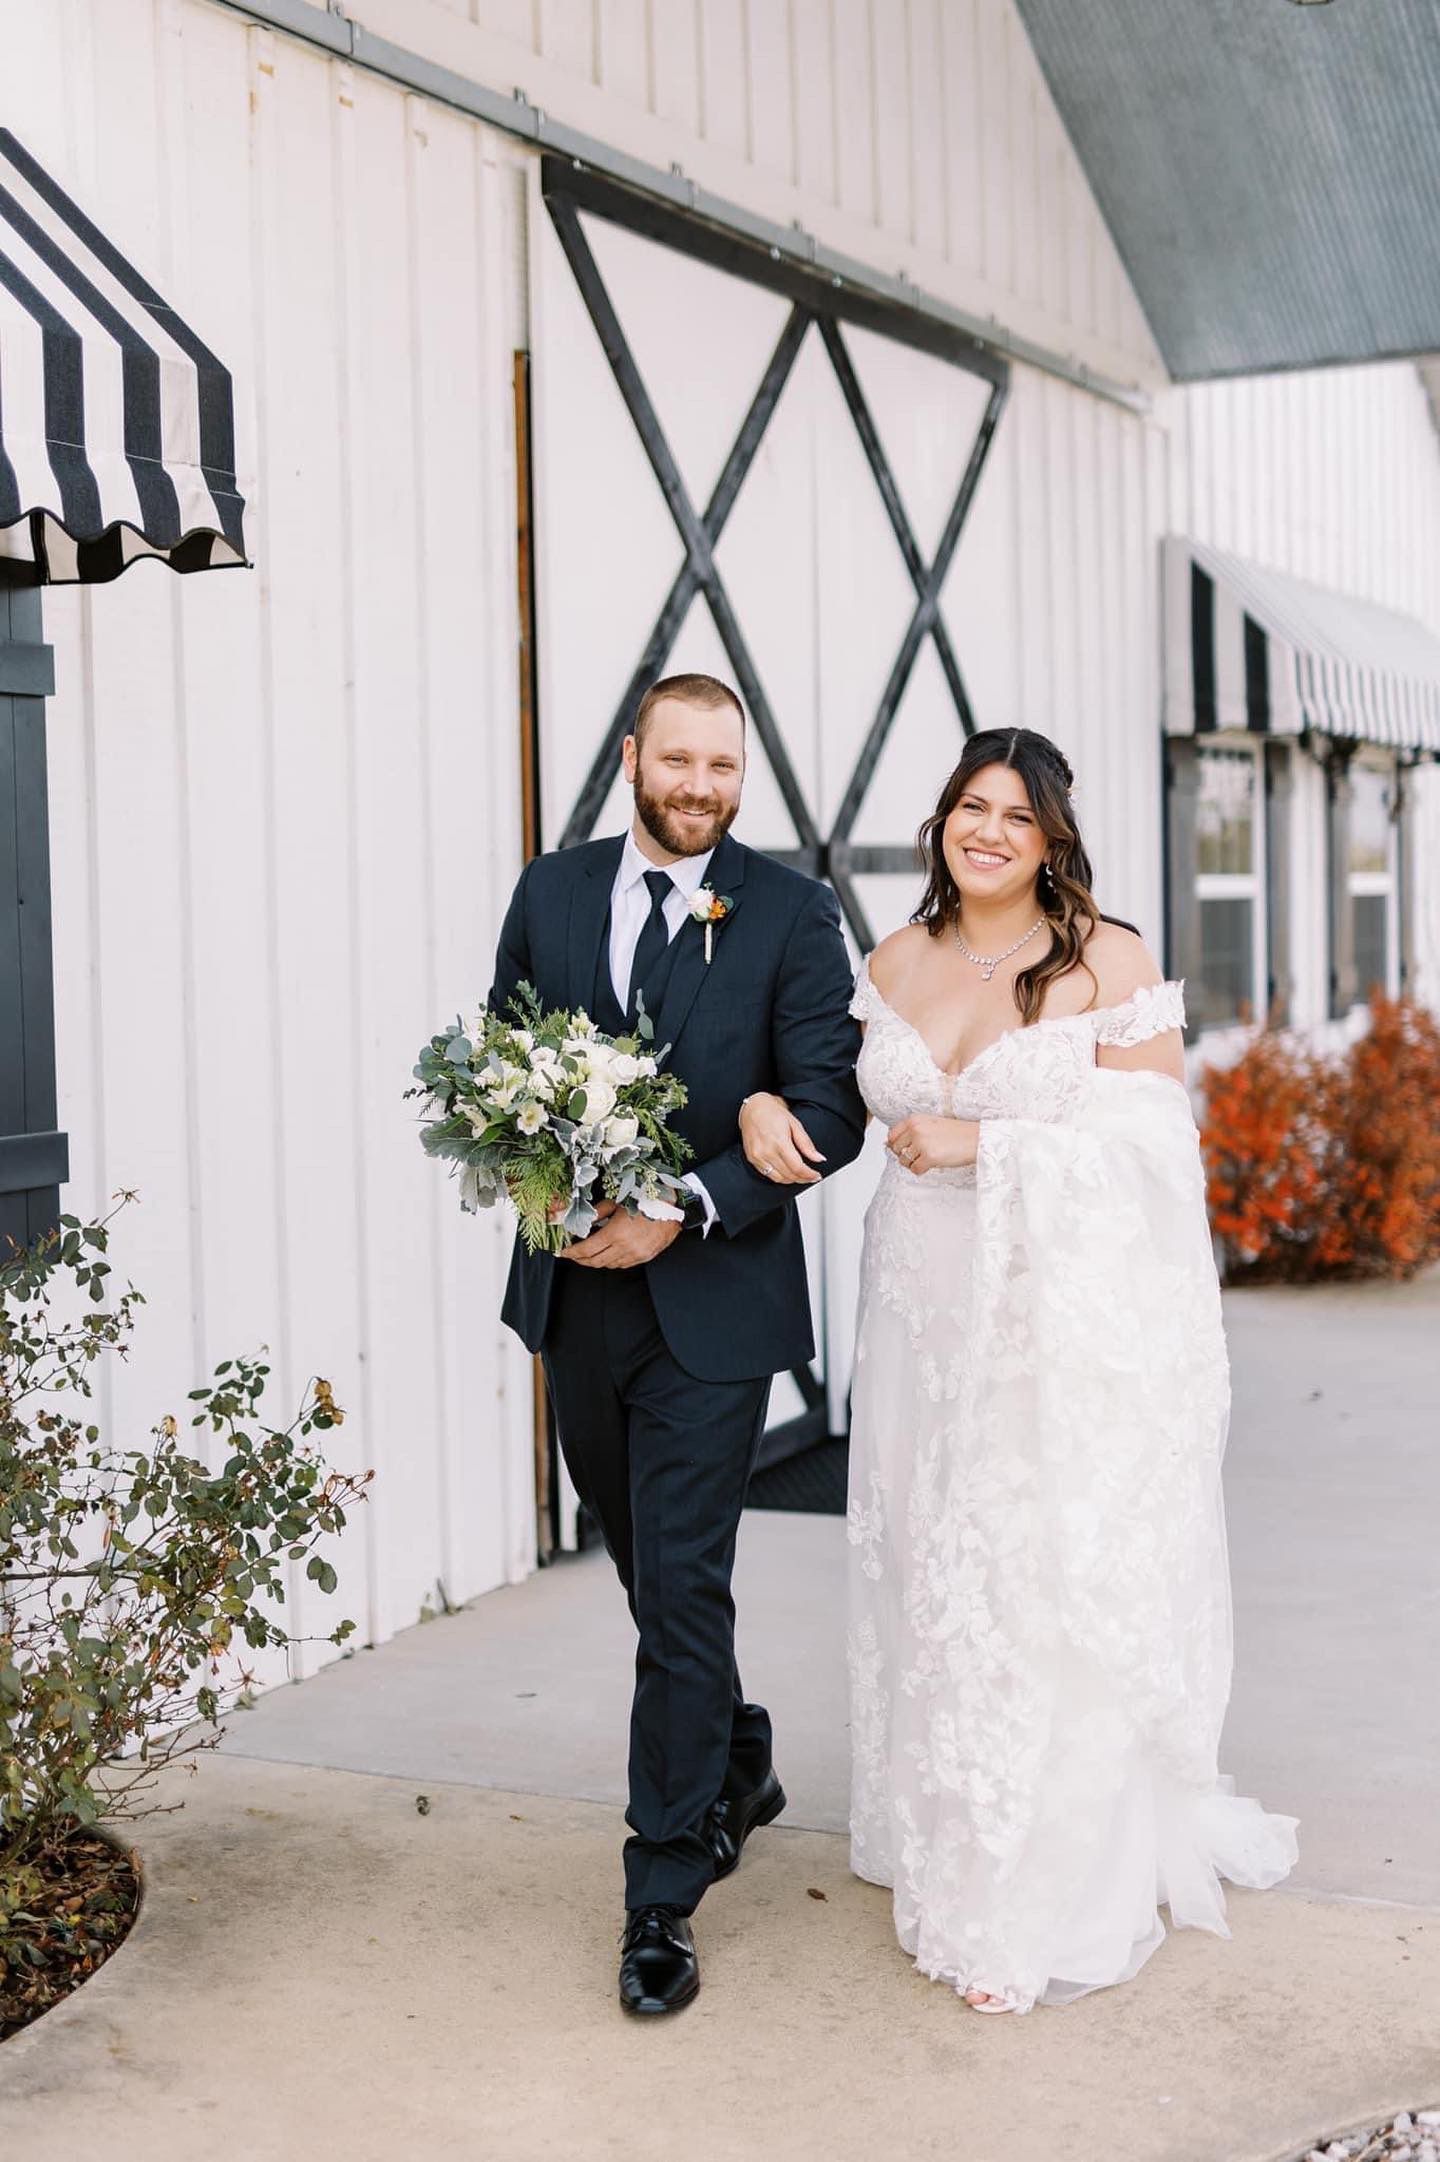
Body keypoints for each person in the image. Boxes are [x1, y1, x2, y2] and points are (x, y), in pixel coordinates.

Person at [738, 726, 1298, 2013]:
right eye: (968, 806)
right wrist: (764, 1109)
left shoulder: (1107, 959)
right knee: (926, 1556)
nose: (987, 830)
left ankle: (1040, 1877)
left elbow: (1160, 1146)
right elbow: (831, 1105)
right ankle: (936, 1816)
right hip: (914, 1302)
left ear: (1052, 837)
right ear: (942, 821)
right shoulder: (889, 957)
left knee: (1031, 1567)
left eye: (1017, 815)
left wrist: (992, 1146)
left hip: (1048, 1311)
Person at [489, 671, 866, 2017]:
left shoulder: (791, 914)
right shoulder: (550, 890)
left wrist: (688, 1203)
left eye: (726, 766)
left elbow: (830, 1105)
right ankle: (740, 1751)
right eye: (681, 759)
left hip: (712, 1305)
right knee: (646, 1563)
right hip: (574, 1301)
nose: (702, 785)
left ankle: (662, 1890)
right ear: (636, 754)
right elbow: (501, 1058)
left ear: (742, 775)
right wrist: (536, 1179)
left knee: (687, 1580)